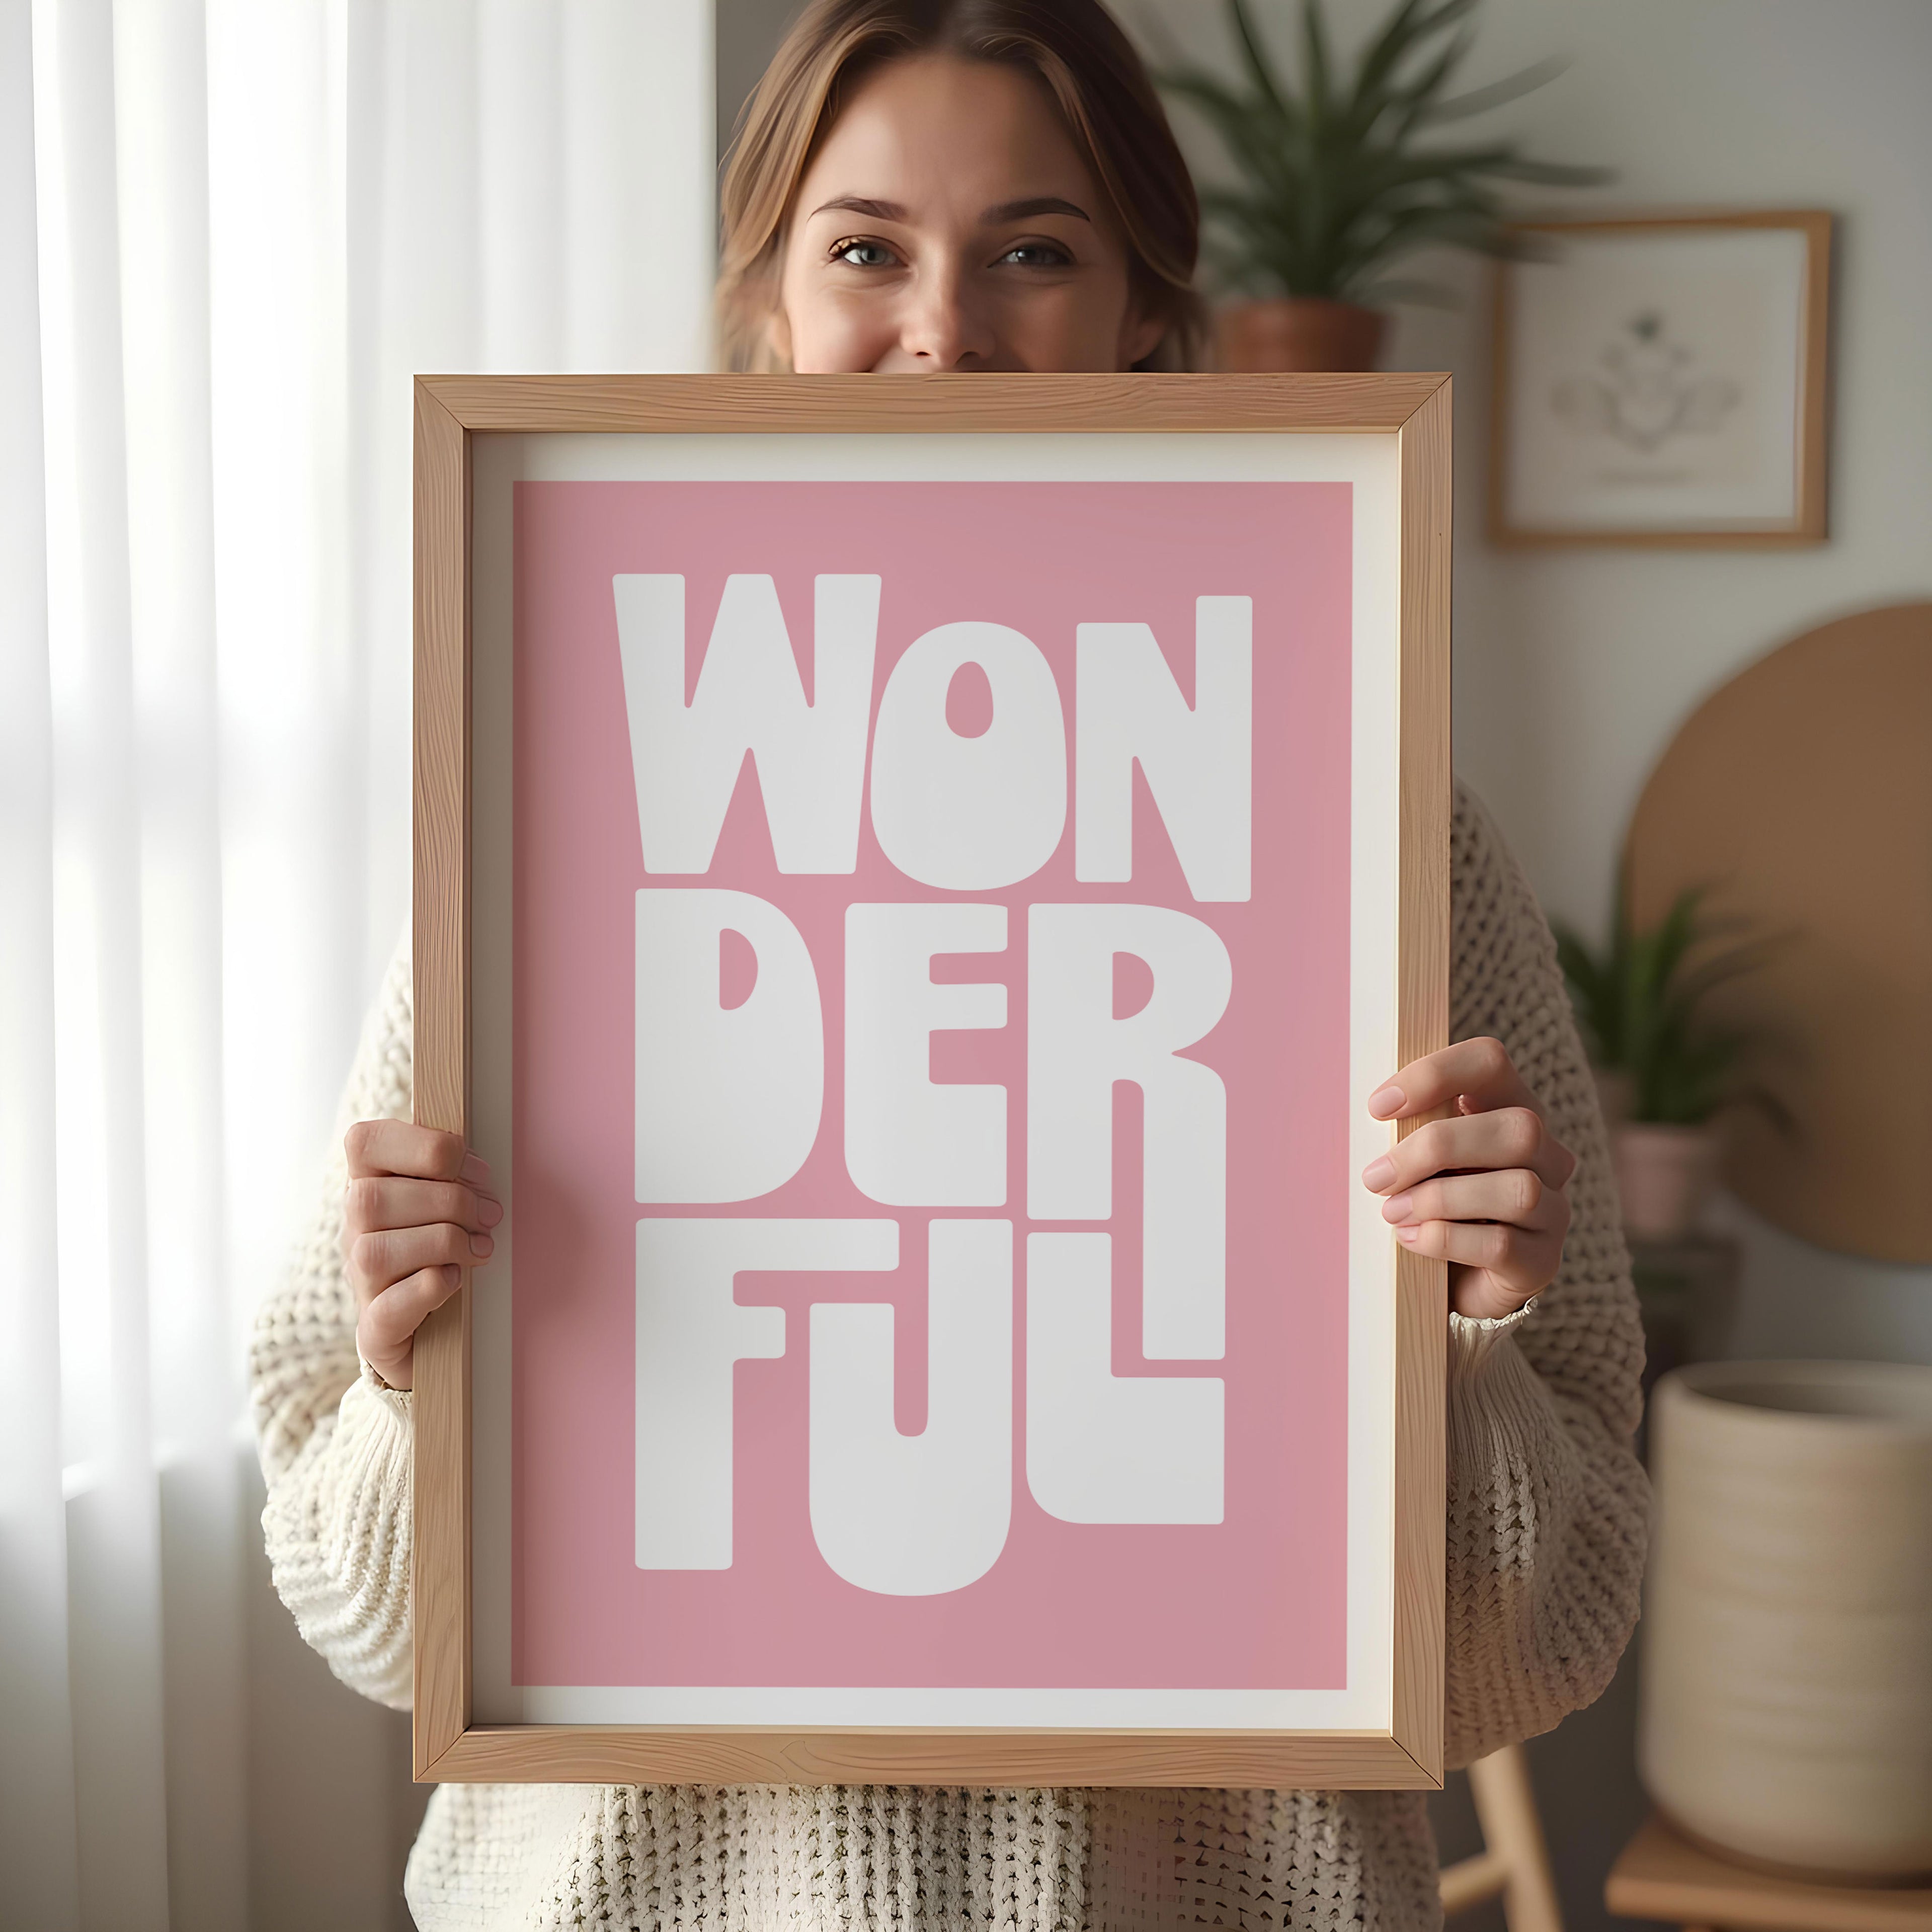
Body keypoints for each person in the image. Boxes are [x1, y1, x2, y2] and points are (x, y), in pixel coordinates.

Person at [252, 2, 1649, 1926]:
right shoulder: (572, 791)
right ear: (768, 307)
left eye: (1034, 250)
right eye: (865, 249)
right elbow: (363, 1608)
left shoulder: (1384, 831)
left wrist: (1467, 1344)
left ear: (1144, 315)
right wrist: (424, 1376)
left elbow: (1543, 1649)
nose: (943, 329)